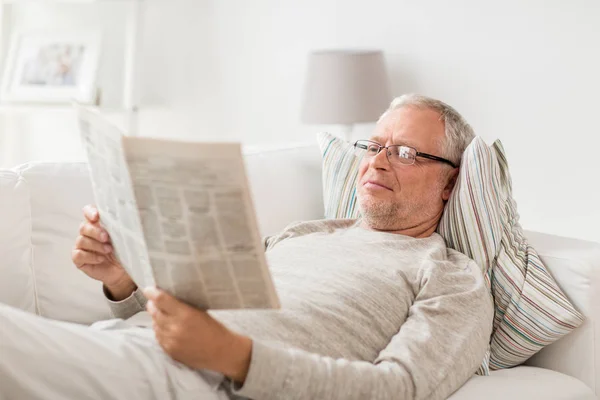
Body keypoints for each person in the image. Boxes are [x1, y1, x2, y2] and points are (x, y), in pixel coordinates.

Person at [0, 94, 493, 400]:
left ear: (450, 183)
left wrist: (234, 356)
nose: (378, 163)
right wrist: (122, 278)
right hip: (127, 344)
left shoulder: (452, 277)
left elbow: (399, 389)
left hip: (202, 383)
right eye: (374, 145)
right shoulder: (306, 233)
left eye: (405, 153)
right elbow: (191, 302)